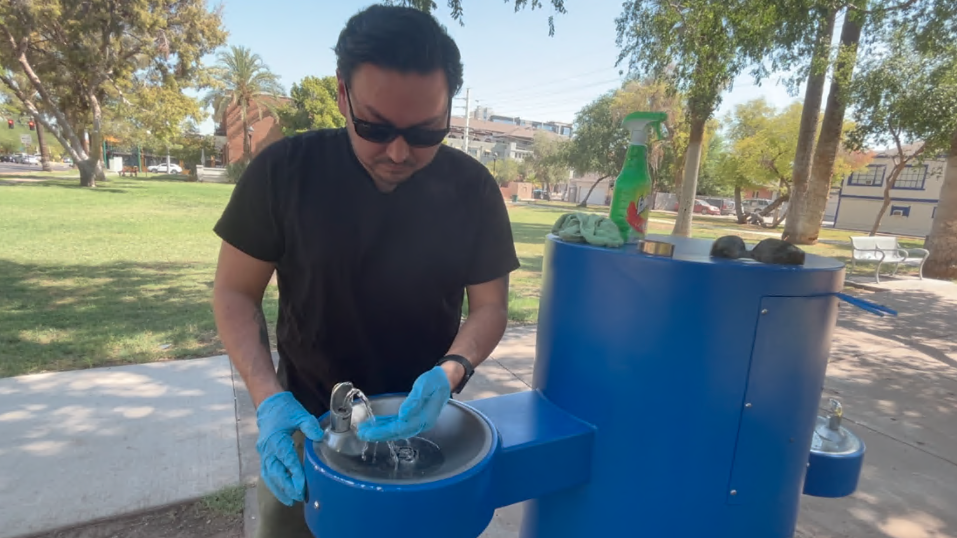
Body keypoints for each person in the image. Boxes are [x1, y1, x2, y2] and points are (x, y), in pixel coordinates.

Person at [211, 5, 520, 537]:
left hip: (426, 433)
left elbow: (490, 307)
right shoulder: (282, 173)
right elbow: (234, 293)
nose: (399, 153)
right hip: (307, 429)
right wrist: (268, 400)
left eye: (426, 131)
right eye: (375, 127)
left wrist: (451, 371)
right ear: (342, 95)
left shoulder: (473, 189)